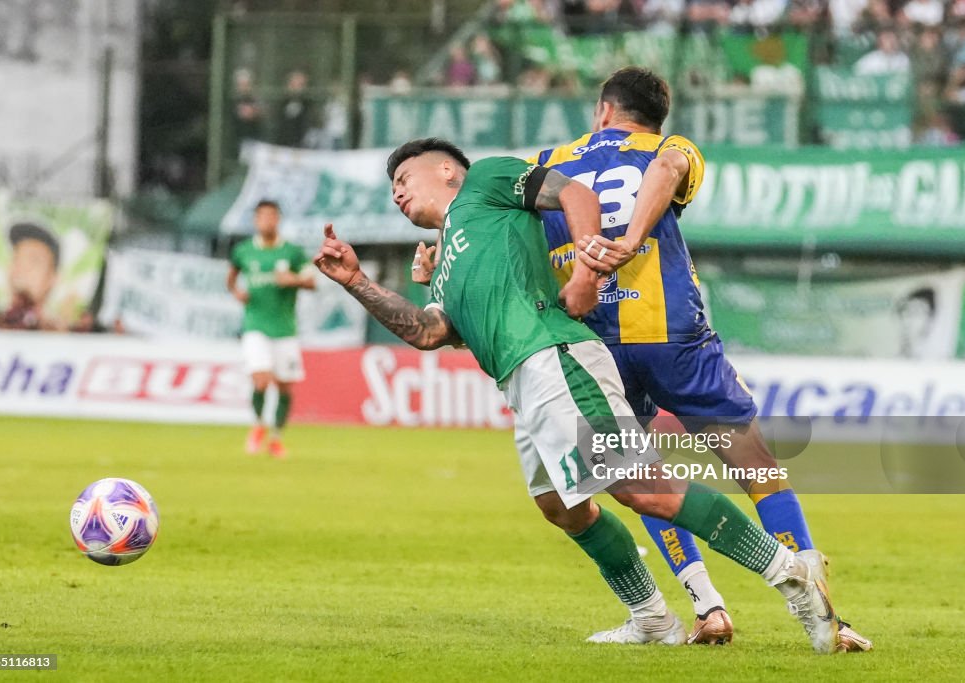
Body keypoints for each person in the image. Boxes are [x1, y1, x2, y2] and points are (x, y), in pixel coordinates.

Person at [314, 137, 849, 653]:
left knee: (641, 488)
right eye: (392, 189)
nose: (397, 194)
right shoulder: (445, 264)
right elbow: (428, 332)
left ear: (448, 170)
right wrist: (355, 280)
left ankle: (791, 574)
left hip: (555, 357)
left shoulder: (485, 182)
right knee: (561, 506)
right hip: (523, 384)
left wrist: (590, 271)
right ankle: (653, 620)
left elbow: (576, 194)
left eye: (404, 178)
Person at [515, 66, 871, 651]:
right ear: (657, 116)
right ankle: (823, 615)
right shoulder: (671, 146)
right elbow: (666, 168)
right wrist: (631, 239)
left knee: (640, 476)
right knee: (756, 466)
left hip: (589, 341)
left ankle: (708, 608)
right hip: (672, 335)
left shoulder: (547, 159)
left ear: (603, 110)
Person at [227, 200, 315, 458]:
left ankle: (276, 438)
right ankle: (258, 426)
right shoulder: (243, 251)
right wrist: (236, 292)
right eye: (262, 216)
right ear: (255, 220)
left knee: (285, 387)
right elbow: (231, 275)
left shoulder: (293, 252)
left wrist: (295, 280)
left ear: (278, 220)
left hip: (285, 328)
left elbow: (312, 281)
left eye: (272, 216)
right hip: (255, 325)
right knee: (261, 378)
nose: (267, 221)